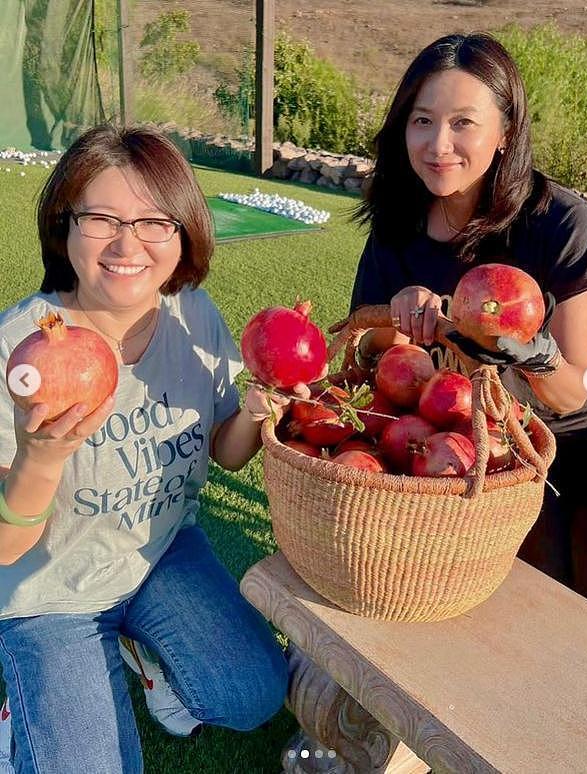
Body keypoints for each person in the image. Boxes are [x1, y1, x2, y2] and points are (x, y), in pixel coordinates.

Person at [0, 124, 302, 774]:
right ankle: (21, 715)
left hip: (160, 551)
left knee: (252, 696)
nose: (127, 244)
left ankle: (146, 657)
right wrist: (40, 457)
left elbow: (223, 453)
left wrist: (252, 414)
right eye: (102, 218)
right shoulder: (21, 352)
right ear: (64, 225)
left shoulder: (194, 316)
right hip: (49, 595)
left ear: (183, 230)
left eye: (153, 221)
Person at [347, 33, 587, 620]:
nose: (438, 144)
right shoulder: (397, 229)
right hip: (494, 424)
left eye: (463, 124)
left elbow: (577, 389)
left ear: (504, 134)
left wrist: (528, 350)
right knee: (525, 588)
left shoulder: (560, 224)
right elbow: (368, 356)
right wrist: (396, 318)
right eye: (422, 120)